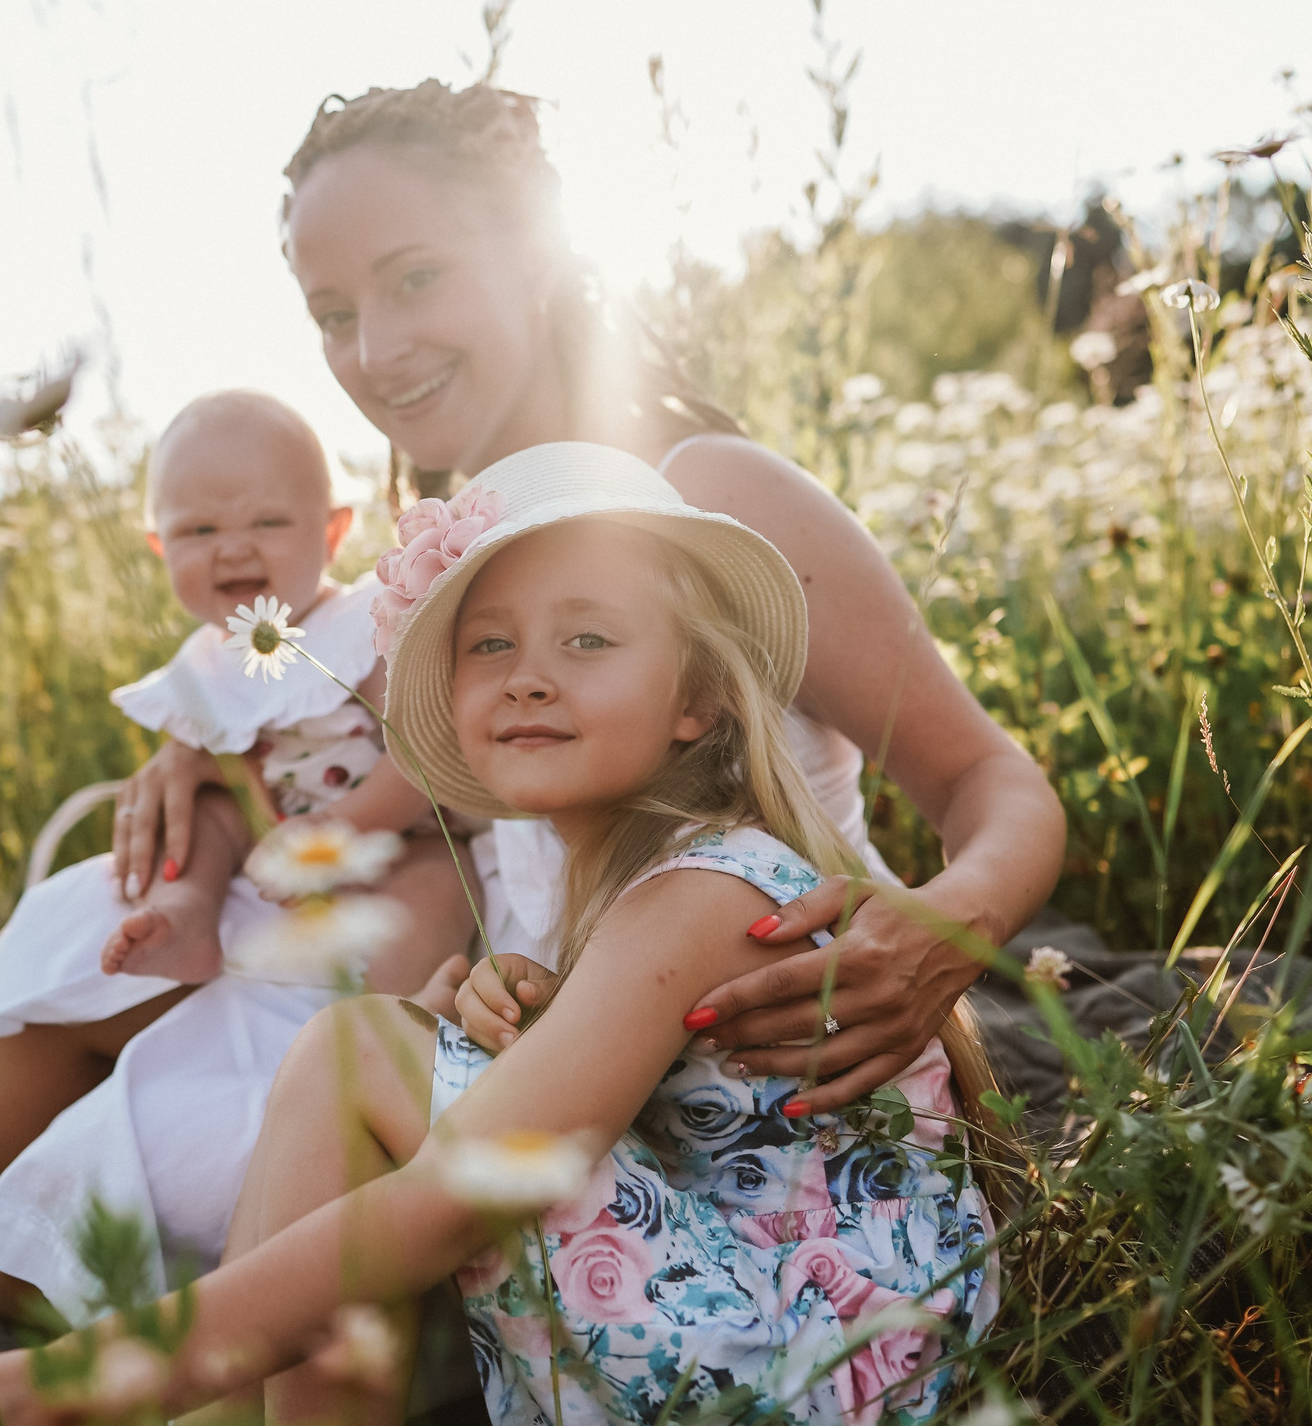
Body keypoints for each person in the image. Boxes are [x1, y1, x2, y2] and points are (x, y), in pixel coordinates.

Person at [0, 443, 1012, 1426]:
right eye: (488, 646)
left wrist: (72, 1382)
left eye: (587, 640)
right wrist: (500, 1023)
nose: (528, 678)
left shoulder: (698, 893)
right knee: (375, 1052)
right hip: (775, 1359)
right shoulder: (651, 891)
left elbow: (463, 1190)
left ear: (695, 696)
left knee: (356, 1056)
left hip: (796, 1402)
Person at [113, 79, 1066, 1114]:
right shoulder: (449, 559)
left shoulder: (706, 496)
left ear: (534, 258)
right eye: (334, 315)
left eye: (417, 278)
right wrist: (202, 752)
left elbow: (985, 777)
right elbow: (394, 788)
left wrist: (945, 928)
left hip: (802, 1104)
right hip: (576, 1089)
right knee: (101, 1006)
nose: (375, 352)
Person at [0, 390, 476, 1323]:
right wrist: (206, 851)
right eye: (199, 529)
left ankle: (383, 1021)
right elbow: (219, 797)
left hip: (402, 849)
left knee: (415, 902)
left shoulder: (362, 632)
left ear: (334, 531)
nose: (234, 549)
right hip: (275, 878)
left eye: (269, 521)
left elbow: (431, 752)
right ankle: (187, 920)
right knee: (209, 811)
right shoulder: (204, 673)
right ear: (157, 548)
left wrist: (350, 823)